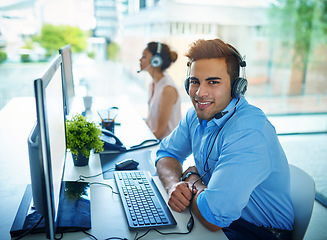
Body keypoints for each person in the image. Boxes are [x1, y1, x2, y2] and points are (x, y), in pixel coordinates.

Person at [155, 38, 294, 239]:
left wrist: (192, 180)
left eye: (213, 82)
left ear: (237, 87)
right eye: (195, 81)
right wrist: (172, 186)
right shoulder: (196, 114)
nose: (200, 93)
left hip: (257, 232)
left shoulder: (248, 132)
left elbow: (213, 216)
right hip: (221, 220)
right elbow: (167, 152)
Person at [139, 41, 182, 140]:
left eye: (144, 56)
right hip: (154, 141)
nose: (140, 59)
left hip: (166, 147)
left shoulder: (167, 89)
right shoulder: (153, 84)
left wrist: (137, 143)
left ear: (156, 61)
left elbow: (160, 132)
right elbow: (150, 122)